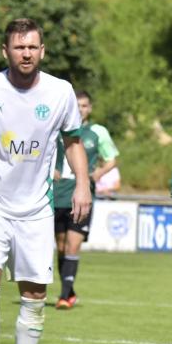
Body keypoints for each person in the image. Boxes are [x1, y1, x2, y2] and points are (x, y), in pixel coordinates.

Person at [0, 18, 91, 344]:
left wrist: (83, 183)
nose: (26, 53)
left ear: (42, 51)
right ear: (5, 51)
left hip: (37, 207)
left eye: (33, 47)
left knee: (35, 294)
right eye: (19, 47)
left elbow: (73, 141)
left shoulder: (60, 92)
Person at [53, 90, 119, 309]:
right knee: (61, 247)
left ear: (89, 108)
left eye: (84, 106)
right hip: (58, 194)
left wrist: (96, 174)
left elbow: (111, 159)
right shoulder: (56, 128)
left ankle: (64, 296)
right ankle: (69, 291)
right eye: (76, 105)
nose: (80, 109)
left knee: (73, 245)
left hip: (81, 195)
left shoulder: (97, 132)